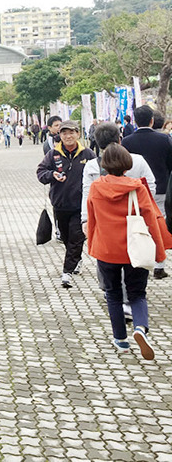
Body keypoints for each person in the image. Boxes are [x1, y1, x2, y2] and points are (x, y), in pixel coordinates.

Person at [86, 143, 165, 360]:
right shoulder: (137, 187)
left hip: (106, 249)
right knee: (137, 293)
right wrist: (159, 254)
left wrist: (93, 245)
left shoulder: (96, 188)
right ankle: (140, 328)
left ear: (104, 164)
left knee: (113, 294)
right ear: (127, 165)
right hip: (135, 250)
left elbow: (92, 220)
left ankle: (120, 340)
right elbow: (151, 220)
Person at [37, 120, 96, 288]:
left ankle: (67, 272)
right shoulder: (53, 154)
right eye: (64, 133)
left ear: (78, 134)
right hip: (60, 204)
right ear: (60, 135)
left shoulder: (88, 154)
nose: (68, 136)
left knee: (76, 238)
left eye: (71, 132)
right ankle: (76, 258)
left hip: (81, 206)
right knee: (66, 237)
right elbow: (41, 173)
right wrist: (52, 174)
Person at [122, 105, 172, 279]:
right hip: (160, 188)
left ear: (135, 121)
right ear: (152, 120)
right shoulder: (164, 139)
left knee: (137, 223)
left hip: (135, 190)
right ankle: (159, 264)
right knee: (159, 224)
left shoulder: (127, 141)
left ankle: (138, 258)